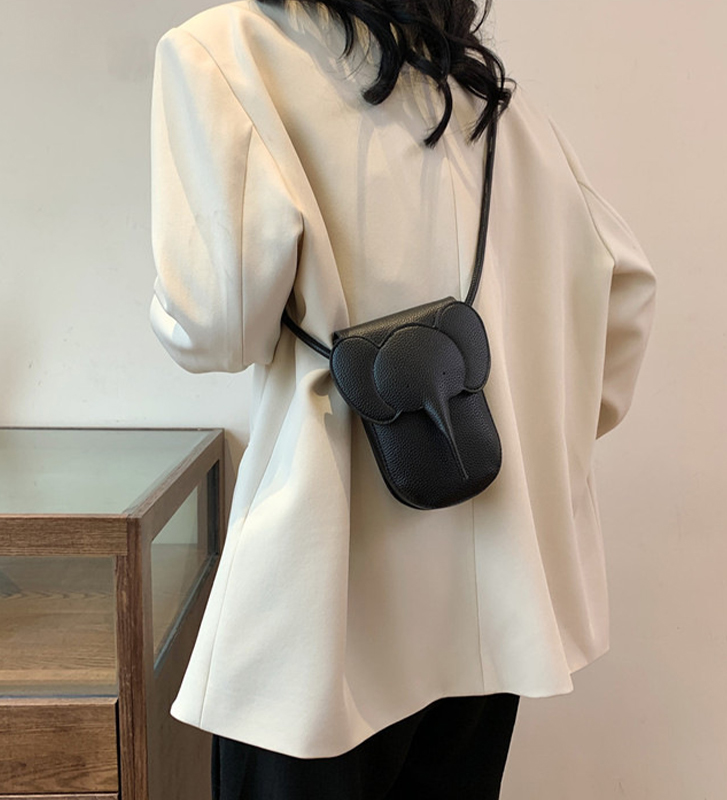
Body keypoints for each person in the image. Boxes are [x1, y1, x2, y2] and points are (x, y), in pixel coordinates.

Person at [148, 0, 658, 797]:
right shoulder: (486, 97)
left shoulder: (228, 51)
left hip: (327, 608)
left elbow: (215, 325)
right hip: (494, 601)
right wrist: (532, 435)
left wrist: (165, 305)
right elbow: (622, 288)